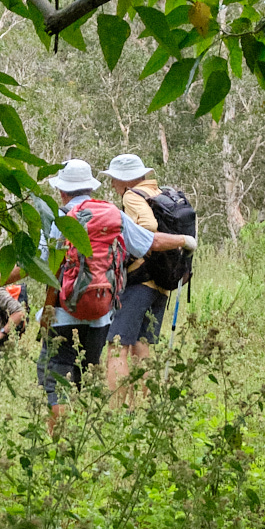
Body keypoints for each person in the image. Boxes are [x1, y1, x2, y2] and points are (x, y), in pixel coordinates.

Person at [36, 159, 195, 431]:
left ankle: (60, 442)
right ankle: (127, 416)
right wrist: (184, 241)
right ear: (90, 187)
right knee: (87, 377)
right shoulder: (112, 213)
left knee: (56, 382)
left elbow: (44, 266)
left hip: (65, 313)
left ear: (62, 192)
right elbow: (152, 241)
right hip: (101, 314)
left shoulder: (61, 219)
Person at [102, 153, 196, 393]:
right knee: (142, 346)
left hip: (138, 281)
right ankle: (142, 406)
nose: (112, 184)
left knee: (117, 346)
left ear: (125, 179)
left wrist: (134, 249)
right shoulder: (161, 194)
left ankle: (116, 407)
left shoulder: (132, 195)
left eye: (114, 179)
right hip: (162, 281)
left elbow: (148, 228)